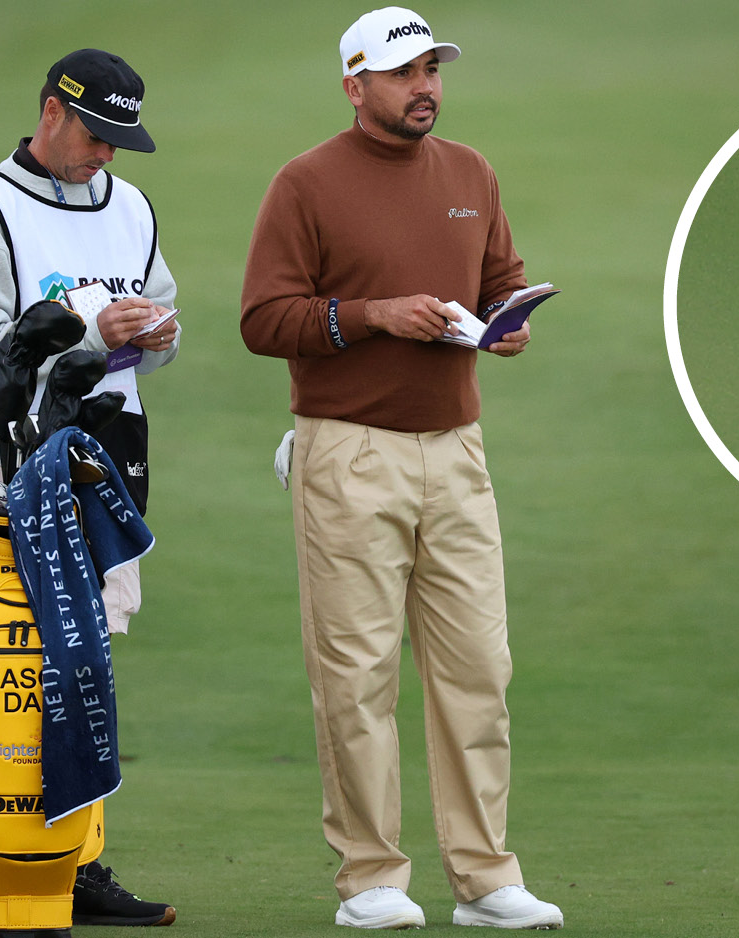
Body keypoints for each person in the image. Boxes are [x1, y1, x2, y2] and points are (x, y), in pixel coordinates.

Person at [240, 7, 562, 931]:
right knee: (355, 673)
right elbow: (265, 320)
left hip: (456, 449)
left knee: (477, 667)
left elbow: (502, 276)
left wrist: (509, 322)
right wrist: (373, 315)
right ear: (355, 85)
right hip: (347, 448)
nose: (424, 86)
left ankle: (485, 878)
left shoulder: (470, 171)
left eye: (430, 69)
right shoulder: (305, 183)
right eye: (401, 72)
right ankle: (370, 879)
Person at [0, 47, 179, 928]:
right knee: (23, 669)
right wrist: (88, 342)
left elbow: (162, 325)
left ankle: (74, 862)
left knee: (88, 663)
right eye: (96, 136)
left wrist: (150, 331)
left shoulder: (132, 209)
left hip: (108, 466)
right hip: (14, 476)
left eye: (120, 141)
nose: (106, 156)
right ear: (50, 111)